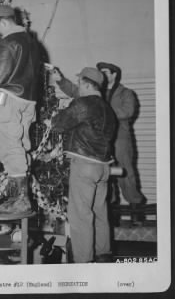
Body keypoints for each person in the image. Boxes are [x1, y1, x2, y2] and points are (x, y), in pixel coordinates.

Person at [50, 67, 117, 263]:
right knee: (100, 213)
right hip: (103, 167)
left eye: (79, 83)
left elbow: (58, 123)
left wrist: (53, 117)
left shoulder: (84, 104)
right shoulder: (107, 109)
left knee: (80, 216)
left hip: (84, 166)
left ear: (88, 85)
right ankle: (103, 253)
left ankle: (83, 262)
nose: (78, 87)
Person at [0, 5, 40, 213]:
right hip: (29, 101)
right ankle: (21, 196)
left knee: (10, 148)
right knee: (22, 145)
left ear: (4, 22)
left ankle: (22, 199)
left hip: (11, 99)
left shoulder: (9, 42)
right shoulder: (32, 43)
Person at [96, 62, 146, 223]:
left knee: (126, 174)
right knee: (107, 175)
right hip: (103, 141)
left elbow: (128, 111)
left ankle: (136, 213)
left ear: (114, 74)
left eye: (104, 72)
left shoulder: (126, 93)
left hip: (121, 140)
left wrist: (105, 112)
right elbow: (76, 91)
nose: (102, 76)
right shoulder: (98, 93)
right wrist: (60, 80)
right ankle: (112, 215)